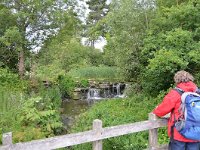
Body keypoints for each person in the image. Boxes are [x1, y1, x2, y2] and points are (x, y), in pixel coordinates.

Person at [152, 70, 200, 150]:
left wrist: (155, 110)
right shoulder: (197, 92)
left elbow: (161, 110)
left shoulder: (176, 93)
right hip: (196, 132)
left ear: (177, 80)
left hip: (179, 132)